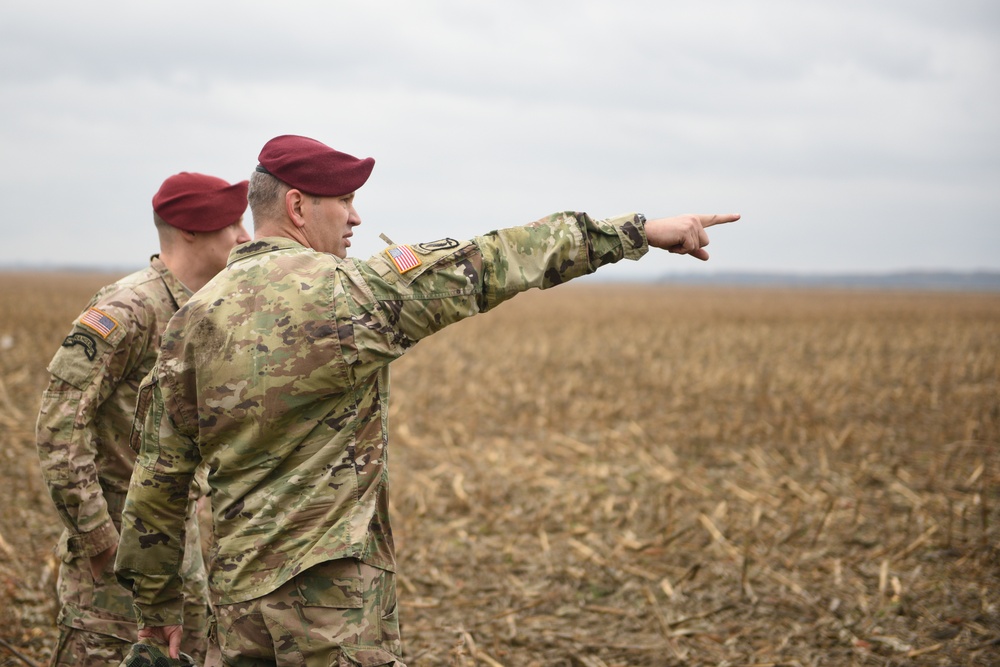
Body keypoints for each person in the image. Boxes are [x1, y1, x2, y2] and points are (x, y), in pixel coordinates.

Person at [114, 134, 740, 665]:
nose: (356, 218)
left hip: (237, 605)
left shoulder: (193, 319)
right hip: (333, 613)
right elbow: (496, 259)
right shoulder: (350, 296)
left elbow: (158, 483)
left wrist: (156, 610)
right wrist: (640, 231)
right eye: (346, 200)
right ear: (299, 206)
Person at [36, 171, 252, 667]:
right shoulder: (128, 309)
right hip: (115, 559)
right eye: (231, 224)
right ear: (190, 231)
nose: (244, 236)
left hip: (178, 550)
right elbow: (58, 428)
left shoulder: (203, 311)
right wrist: (97, 539)